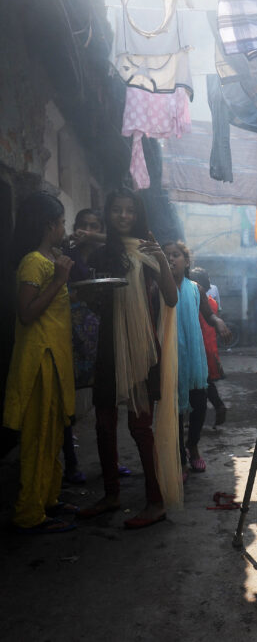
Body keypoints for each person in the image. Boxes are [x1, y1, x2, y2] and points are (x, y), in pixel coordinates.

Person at [79, 188, 178, 529]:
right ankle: (111, 495)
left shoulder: (147, 252)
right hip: (109, 345)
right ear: (108, 214)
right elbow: (94, 301)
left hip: (142, 348)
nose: (123, 216)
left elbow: (171, 297)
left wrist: (162, 259)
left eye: (129, 211)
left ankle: (155, 501)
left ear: (138, 216)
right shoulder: (102, 255)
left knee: (140, 426)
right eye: (117, 210)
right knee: (104, 424)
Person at [3, 192, 77, 533]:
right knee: (37, 437)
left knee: (52, 435)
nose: (65, 228)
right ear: (50, 225)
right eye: (62, 222)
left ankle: (47, 499)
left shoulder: (53, 258)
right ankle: (29, 513)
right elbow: (27, 312)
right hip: (38, 362)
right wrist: (60, 281)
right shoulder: (34, 262)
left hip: (54, 359)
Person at [61, 208, 105, 484]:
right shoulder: (68, 250)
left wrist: (94, 236)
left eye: (93, 225)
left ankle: (107, 464)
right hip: (70, 328)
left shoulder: (105, 251)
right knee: (66, 401)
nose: (87, 230)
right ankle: (71, 465)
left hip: (98, 330)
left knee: (103, 398)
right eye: (83, 225)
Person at [162, 241, 213, 476]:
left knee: (199, 405)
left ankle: (192, 446)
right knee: (173, 410)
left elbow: (208, 314)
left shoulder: (195, 288)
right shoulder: (157, 287)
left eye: (176, 255)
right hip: (168, 354)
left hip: (193, 357)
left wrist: (219, 322)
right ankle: (179, 457)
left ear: (186, 261)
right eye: (166, 255)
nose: (171, 259)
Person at [190, 267, 231, 427]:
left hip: (199, 348)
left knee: (201, 383)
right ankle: (217, 406)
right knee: (205, 382)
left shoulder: (194, 302)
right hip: (210, 345)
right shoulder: (212, 303)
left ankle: (215, 407)